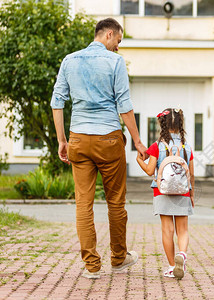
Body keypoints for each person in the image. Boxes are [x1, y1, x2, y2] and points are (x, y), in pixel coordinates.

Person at [51, 18, 148, 279]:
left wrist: (62, 140)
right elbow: (124, 105)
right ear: (108, 34)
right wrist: (137, 141)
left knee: (83, 204)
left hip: (79, 139)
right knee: (115, 202)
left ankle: (92, 267)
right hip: (108, 139)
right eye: (118, 41)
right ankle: (118, 258)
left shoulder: (69, 60)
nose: (118, 47)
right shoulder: (115, 62)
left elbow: (57, 102)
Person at [136, 108, 195, 279]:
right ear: (180, 124)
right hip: (183, 192)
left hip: (161, 192)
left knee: (167, 230)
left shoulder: (157, 146)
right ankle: (182, 254)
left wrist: (139, 159)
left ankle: (171, 266)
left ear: (163, 125)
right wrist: (191, 194)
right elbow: (191, 174)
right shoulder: (187, 148)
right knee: (182, 230)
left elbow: (149, 170)